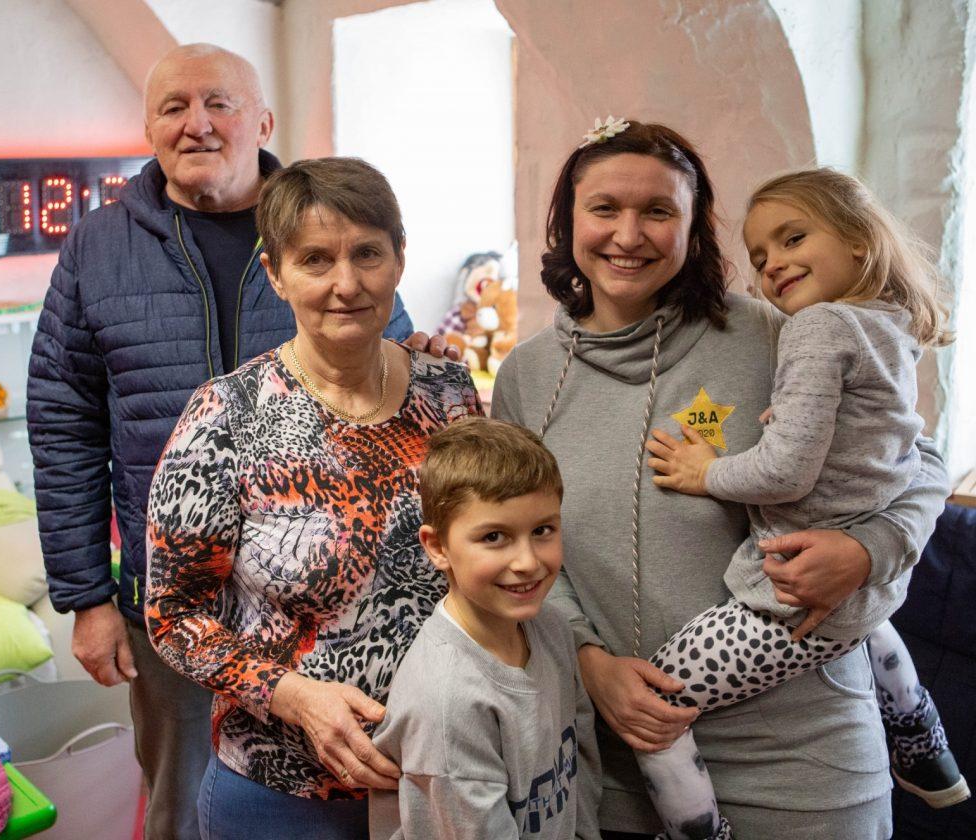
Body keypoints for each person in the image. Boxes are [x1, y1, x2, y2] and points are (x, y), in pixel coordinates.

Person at [25, 43, 443, 840]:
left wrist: (424, 356)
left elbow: (387, 365)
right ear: (149, 128)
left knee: (357, 795)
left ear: (263, 121)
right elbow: (62, 424)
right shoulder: (97, 247)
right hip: (173, 603)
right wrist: (85, 598)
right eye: (173, 107)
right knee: (181, 805)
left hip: (321, 607)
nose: (197, 124)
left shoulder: (320, 226)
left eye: (219, 103)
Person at [491, 119, 950, 839]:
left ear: (693, 227)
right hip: (624, 770)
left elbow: (917, 459)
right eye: (604, 208)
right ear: (568, 220)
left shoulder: (776, 331)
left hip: (807, 763)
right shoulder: (526, 377)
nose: (628, 234)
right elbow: (522, 546)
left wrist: (871, 550)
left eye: (658, 211)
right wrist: (587, 659)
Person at [145, 156, 482, 840]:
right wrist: (293, 696)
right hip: (284, 796)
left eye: (367, 254)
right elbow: (173, 615)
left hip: (444, 775)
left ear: (400, 257)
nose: (345, 284)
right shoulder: (226, 416)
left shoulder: (450, 394)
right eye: (316, 260)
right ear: (276, 273)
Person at [634, 166, 966, 837]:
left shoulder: (818, 326)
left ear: (859, 240)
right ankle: (923, 745)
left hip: (785, 598)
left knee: (652, 707)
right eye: (760, 258)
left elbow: (786, 472)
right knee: (869, 621)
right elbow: (879, 441)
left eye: (793, 238)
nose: (773, 265)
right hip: (860, 598)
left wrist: (706, 472)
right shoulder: (886, 326)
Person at [370, 417, 602, 840]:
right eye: (494, 537)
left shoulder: (551, 627)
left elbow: (578, 775)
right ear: (437, 546)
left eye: (542, 530)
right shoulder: (446, 703)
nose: (527, 562)